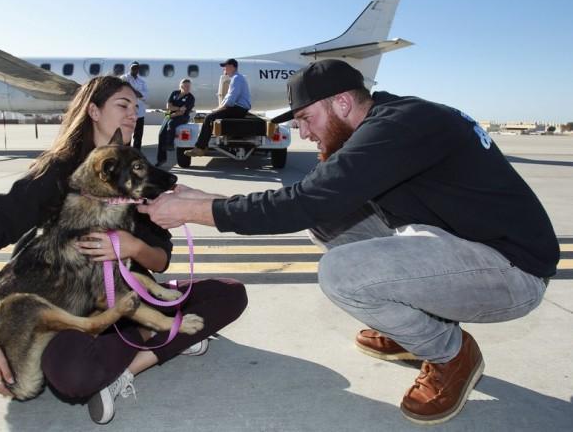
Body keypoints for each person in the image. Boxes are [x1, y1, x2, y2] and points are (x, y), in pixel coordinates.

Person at [138, 59, 560, 425]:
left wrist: (193, 212)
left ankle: (451, 354)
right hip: (461, 243)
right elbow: (311, 199)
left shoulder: (396, 129)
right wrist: (203, 198)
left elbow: (299, 203)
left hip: (512, 273)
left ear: (341, 103)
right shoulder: (391, 119)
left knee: (341, 274)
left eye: (307, 119)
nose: (304, 133)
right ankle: (414, 328)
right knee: (328, 220)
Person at [0, 75, 248, 425]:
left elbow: (160, 260)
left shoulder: (140, 172)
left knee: (231, 294)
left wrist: (131, 245)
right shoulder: (56, 174)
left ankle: (133, 361)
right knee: (74, 375)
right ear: (93, 111)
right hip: (68, 314)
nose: (133, 114)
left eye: (136, 107)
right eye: (123, 105)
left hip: (129, 296)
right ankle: (159, 335)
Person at [184, 58, 251, 157]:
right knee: (211, 116)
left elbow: (231, 99)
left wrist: (219, 109)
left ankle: (200, 148)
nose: (224, 69)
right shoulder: (236, 78)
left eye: (226, 67)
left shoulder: (236, 78)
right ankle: (203, 146)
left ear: (232, 67)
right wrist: (218, 108)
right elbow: (228, 97)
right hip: (238, 109)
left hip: (238, 109)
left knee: (209, 118)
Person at [155, 78, 195, 166]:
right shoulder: (174, 93)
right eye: (185, 86)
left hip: (182, 117)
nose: (187, 88)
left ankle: (170, 143)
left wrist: (173, 112)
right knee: (161, 134)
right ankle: (161, 159)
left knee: (171, 124)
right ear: (181, 86)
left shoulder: (190, 98)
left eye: (189, 86)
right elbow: (168, 106)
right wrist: (178, 108)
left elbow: (182, 112)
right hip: (169, 115)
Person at [120, 61, 149, 149]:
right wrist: (137, 93)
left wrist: (132, 90)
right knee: (126, 133)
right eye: (133, 68)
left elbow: (145, 96)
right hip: (127, 112)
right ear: (130, 68)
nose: (135, 69)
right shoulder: (124, 78)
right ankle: (126, 152)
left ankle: (137, 152)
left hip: (139, 112)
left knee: (138, 135)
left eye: (136, 68)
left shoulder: (142, 81)